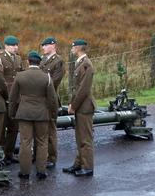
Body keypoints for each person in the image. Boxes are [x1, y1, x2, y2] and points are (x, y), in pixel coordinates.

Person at [9, 51, 58, 179]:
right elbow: (52, 99)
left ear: (28, 62)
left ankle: (25, 172)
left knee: (25, 142)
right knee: (42, 142)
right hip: (42, 113)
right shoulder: (46, 77)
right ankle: (41, 171)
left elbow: (13, 97)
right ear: (40, 62)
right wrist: (54, 114)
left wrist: (12, 113)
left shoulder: (20, 76)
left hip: (24, 113)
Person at [63, 39, 96, 177]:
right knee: (79, 137)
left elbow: (83, 89)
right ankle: (78, 164)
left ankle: (87, 167)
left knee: (85, 138)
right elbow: (76, 89)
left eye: (73, 47)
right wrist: (72, 103)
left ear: (78, 48)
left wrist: (74, 106)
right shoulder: (80, 63)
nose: (71, 49)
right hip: (80, 106)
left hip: (85, 107)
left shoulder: (86, 64)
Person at [39, 37, 65, 168]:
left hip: (50, 100)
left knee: (50, 130)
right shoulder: (43, 60)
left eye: (45, 45)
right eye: (42, 46)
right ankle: (40, 155)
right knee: (40, 129)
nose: (43, 47)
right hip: (40, 99)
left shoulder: (58, 61)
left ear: (53, 45)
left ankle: (52, 157)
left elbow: (54, 82)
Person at [0, 35, 24, 164]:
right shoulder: (0, 58)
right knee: (2, 127)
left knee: (14, 127)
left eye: (16, 45)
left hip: (17, 97)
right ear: (6, 46)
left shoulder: (19, 58)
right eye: (12, 45)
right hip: (4, 97)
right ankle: (1, 154)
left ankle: (9, 153)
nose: (15, 47)